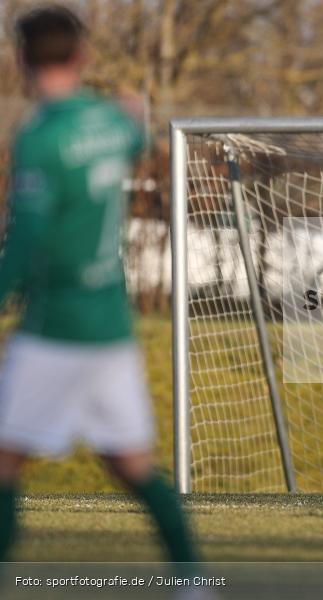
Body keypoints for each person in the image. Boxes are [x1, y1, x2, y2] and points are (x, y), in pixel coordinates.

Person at [0, 5, 200, 577]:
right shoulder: (110, 122)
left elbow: (26, 240)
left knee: (4, 463)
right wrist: (131, 115)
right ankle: (193, 582)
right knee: (133, 465)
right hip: (110, 325)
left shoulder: (40, 136)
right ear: (81, 56)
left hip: (54, 327)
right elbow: (134, 129)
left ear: (21, 61)